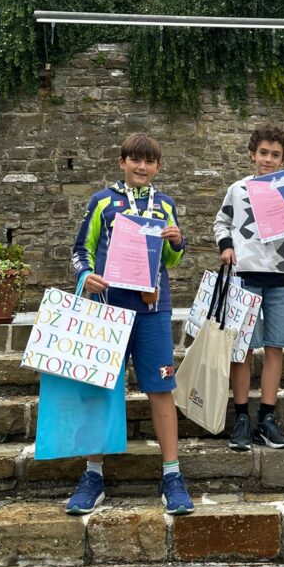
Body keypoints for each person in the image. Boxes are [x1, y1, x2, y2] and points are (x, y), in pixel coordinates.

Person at [65, 132, 194, 516]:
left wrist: (177, 241)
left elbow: (172, 261)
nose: (142, 167)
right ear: (121, 161)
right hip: (108, 310)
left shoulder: (165, 204)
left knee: (161, 388)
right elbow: (79, 251)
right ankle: (92, 475)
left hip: (154, 311)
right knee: (102, 389)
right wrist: (85, 275)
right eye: (135, 160)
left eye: (149, 161)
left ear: (157, 167)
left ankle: (172, 475)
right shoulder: (102, 200)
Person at [214, 124, 284, 450]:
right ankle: (241, 416)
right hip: (245, 276)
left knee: (275, 346)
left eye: (275, 155)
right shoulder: (237, 190)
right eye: (263, 153)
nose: (268, 159)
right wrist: (226, 246)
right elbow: (221, 221)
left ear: (283, 160)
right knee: (242, 348)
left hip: (279, 277)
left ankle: (266, 418)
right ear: (253, 154)